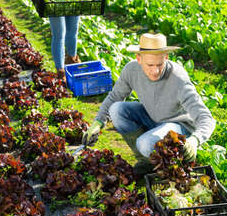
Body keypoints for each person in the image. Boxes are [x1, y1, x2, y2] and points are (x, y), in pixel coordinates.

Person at [82, 33, 216, 175]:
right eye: (150, 65)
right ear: (139, 59)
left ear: (166, 57)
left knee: (145, 143)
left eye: (160, 64)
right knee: (116, 109)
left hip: (178, 127)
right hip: (153, 118)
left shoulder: (178, 79)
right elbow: (115, 96)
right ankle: (147, 162)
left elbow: (206, 118)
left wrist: (195, 140)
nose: (155, 70)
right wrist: (98, 122)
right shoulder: (131, 70)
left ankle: (172, 164)